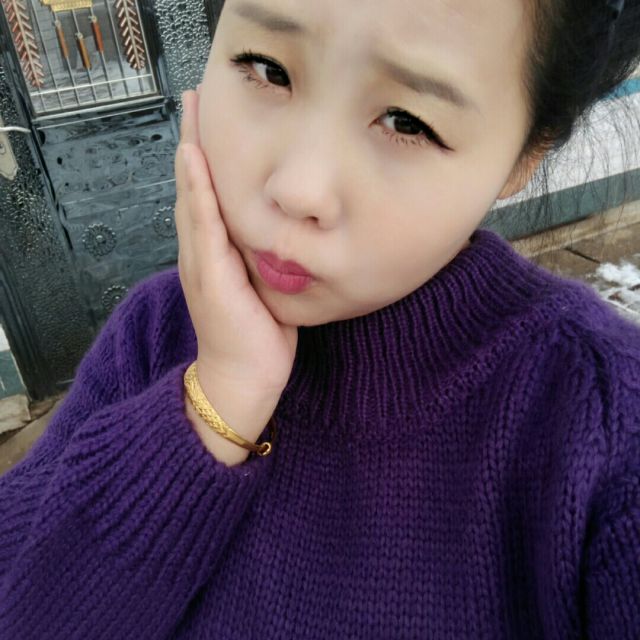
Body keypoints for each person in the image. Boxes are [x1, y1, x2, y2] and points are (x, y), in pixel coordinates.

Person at [0, 0, 639, 637]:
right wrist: (214, 404)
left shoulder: (602, 427)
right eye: (267, 68)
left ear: (526, 155)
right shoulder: (153, 336)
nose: (297, 188)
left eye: (407, 121)